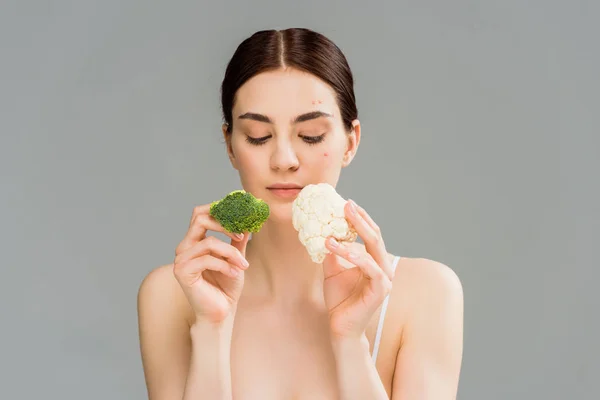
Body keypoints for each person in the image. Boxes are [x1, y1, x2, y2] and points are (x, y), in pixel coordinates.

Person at [137, 27, 464, 399]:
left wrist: (350, 343)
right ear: (230, 145)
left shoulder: (425, 294)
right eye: (258, 136)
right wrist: (211, 330)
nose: (284, 160)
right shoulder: (173, 294)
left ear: (350, 141)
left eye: (310, 135)